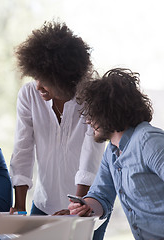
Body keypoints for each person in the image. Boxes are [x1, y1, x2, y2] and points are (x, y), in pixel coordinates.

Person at [9, 20, 107, 239]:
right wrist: (20, 208)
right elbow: (22, 149)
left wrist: (75, 208)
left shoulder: (91, 98)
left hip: (86, 207)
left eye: (45, 79)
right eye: (35, 76)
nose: (38, 85)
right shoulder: (28, 95)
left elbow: (91, 156)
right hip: (43, 204)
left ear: (64, 77)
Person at [69, 68, 164, 240]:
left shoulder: (148, 141)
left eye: (92, 113)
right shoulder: (112, 152)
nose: (88, 120)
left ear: (108, 113)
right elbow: (101, 197)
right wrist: (85, 207)